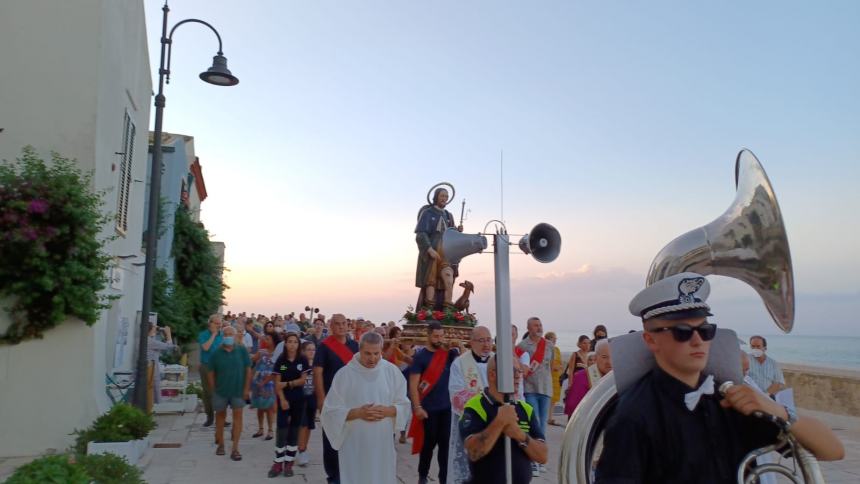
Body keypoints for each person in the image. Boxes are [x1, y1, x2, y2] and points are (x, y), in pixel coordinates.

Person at [595, 272, 844, 483]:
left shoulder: (732, 400)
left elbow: (832, 450)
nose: (698, 340)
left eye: (705, 330)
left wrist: (774, 408)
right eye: (682, 331)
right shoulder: (633, 416)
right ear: (650, 340)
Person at [321, 331, 411, 484]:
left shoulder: (391, 371)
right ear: (359, 349)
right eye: (367, 353)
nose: (372, 358)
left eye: (376, 353)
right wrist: (357, 413)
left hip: (382, 442)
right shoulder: (344, 375)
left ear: (381, 350)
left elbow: (404, 404)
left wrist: (389, 410)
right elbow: (329, 412)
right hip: (354, 443)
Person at [460, 356, 548, 484]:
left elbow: (542, 456)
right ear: (492, 375)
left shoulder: (525, 409)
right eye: (512, 371)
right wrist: (499, 422)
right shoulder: (475, 406)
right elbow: (474, 452)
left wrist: (520, 435)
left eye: (520, 371)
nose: (518, 376)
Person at [408, 321, 460, 484]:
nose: (439, 339)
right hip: (428, 409)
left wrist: (459, 346)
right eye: (436, 336)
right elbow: (413, 385)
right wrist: (417, 407)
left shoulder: (449, 354)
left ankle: (443, 479)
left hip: (447, 409)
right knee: (427, 446)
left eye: (441, 336)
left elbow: (464, 364)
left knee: (445, 447)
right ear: (429, 336)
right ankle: (423, 476)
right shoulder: (420, 357)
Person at [313, 313, 359, 484]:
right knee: (332, 438)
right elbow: (318, 372)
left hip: (353, 400)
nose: (341, 326)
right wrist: (321, 399)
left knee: (352, 437)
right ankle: (334, 476)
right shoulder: (324, 347)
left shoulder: (355, 346)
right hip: (332, 400)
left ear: (348, 325)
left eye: (344, 323)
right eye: (337, 324)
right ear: (331, 326)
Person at [447, 326, 493, 484]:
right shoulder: (459, 364)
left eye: (489, 340)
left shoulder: (499, 361)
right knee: (468, 468)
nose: (486, 344)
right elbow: (456, 393)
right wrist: (486, 402)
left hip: (494, 422)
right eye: (482, 341)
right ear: (471, 342)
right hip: (470, 422)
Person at [516, 316, 554, 476]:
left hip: (545, 388)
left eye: (540, 325)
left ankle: (539, 458)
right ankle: (532, 460)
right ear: (529, 328)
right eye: (535, 326)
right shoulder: (522, 346)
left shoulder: (549, 345)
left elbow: (550, 365)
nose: (539, 328)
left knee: (543, 424)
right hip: (530, 388)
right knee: (534, 422)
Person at [207, 325, 252, 461]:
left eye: (230, 334)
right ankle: (221, 444)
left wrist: (246, 389)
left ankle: (235, 448)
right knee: (220, 418)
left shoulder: (241, 350)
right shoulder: (216, 353)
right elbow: (210, 372)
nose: (228, 337)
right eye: (225, 334)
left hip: (238, 391)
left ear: (235, 336)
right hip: (221, 391)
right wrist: (214, 389)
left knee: (238, 418)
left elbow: (248, 370)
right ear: (222, 337)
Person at [415, 187, 463, 309]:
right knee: (430, 280)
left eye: (446, 197)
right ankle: (429, 309)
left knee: (448, 278)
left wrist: (458, 231)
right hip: (433, 250)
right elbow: (421, 234)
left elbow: (452, 234)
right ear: (436, 197)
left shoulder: (448, 215)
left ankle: (447, 310)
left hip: (446, 252)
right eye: (442, 196)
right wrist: (429, 249)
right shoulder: (428, 213)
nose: (444, 199)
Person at [269, 333, 308, 477]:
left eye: (295, 342)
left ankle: (289, 464)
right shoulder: (281, 360)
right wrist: (283, 399)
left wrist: (288, 383)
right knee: (281, 431)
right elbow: (276, 383)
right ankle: (277, 463)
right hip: (284, 401)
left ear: (298, 344)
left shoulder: (302, 359)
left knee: (294, 432)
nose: (292, 344)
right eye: (289, 342)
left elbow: (304, 380)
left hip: (299, 400)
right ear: (285, 344)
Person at [564, 339, 612, 417]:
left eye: (613, 356)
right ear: (596, 358)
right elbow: (573, 407)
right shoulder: (582, 376)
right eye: (604, 357)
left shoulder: (617, 376)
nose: (609, 362)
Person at [197, 314, 224, 427]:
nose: (218, 326)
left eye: (220, 323)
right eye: (216, 323)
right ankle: (210, 416)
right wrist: (213, 334)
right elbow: (206, 347)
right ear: (210, 323)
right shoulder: (203, 334)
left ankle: (221, 416)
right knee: (208, 393)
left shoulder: (222, 335)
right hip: (207, 366)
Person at [146, 323, 176, 414]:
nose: (156, 330)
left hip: (149, 369)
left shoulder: (146, 340)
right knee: (150, 392)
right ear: (150, 330)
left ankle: (148, 412)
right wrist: (168, 333)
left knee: (150, 392)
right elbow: (169, 346)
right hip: (150, 371)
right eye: (154, 328)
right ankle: (148, 414)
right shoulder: (150, 341)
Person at [250, 335, 276, 441]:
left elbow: (283, 367)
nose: (265, 341)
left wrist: (279, 372)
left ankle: (270, 430)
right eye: (265, 339)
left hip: (271, 383)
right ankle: (260, 429)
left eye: (268, 339)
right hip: (259, 382)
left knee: (270, 407)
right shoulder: (261, 352)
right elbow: (252, 362)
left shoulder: (278, 354)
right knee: (260, 406)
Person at [296, 340, 317, 467]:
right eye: (309, 349)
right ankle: (301, 449)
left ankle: (304, 448)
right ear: (303, 351)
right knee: (302, 425)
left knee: (309, 425)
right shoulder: (298, 364)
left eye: (313, 349)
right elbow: (282, 368)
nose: (311, 352)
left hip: (312, 398)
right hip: (300, 398)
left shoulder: (317, 365)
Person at [545, 331, 564, 426]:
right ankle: (544, 416)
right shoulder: (545, 349)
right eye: (553, 338)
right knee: (546, 397)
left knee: (554, 398)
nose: (555, 340)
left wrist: (559, 368)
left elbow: (560, 362)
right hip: (547, 375)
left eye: (555, 339)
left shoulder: (556, 349)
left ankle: (550, 417)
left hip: (556, 376)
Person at [511, 325, 529, 401]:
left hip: (518, 396)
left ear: (516, 336)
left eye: (512, 334)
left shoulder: (523, 354)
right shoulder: (495, 353)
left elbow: (525, 372)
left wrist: (512, 352)